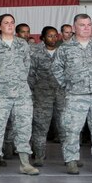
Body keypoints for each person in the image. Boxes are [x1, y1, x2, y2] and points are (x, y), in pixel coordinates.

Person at [0, 14, 38, 176]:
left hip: (21, 94)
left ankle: (25, 163)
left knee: (24, 128)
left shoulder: (22, 45)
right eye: (6, 23)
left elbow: (27, 66)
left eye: (12, 22)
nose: (10, 25)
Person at [51, 14, 92, 174]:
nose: (86, 28)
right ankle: (71, 160)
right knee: (72, 129)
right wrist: (67, 84)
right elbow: (56, 68)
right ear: (74, 27)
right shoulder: (65, 48)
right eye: (82, 25)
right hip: (75, 95)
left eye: (89, 25)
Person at [28, 26, 64, 166]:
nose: (53, 38)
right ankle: (39, 156)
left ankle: (70, 158)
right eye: (50, 36)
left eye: (55, 36)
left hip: (61, 95)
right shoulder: (36, 52)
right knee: (40, 127)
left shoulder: (63, 52)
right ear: (43, 37)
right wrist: (31, 94)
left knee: (65, 127)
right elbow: (31, 75)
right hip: (42, 96)